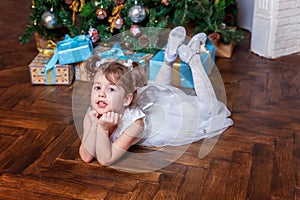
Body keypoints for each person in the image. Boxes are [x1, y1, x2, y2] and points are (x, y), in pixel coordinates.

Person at [79, 26, 233, 166]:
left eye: (111, 89)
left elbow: (106, 159)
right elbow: (86, 157)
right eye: (97, 87)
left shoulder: (135, 124)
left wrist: (102, 129)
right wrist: (94, 125)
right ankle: (169, 58)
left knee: (209, 111)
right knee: (159, 88)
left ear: (126, 99)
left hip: (161, 119)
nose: (101, 93)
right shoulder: (92, 113)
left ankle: (194, 60)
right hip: (144, 104)